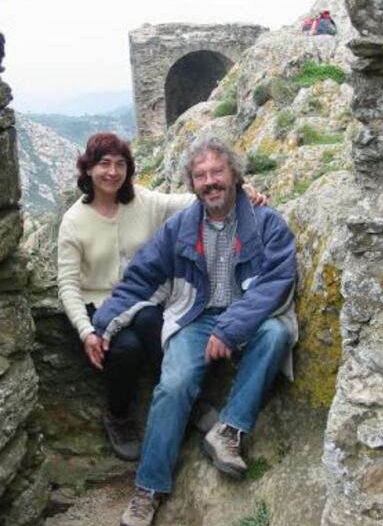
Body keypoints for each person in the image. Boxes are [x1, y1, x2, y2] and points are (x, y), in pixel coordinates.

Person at [93, 137, 297, 526]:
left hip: (247, 317)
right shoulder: (181, 227)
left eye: (217, 172)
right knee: (172, 385)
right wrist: (101, 326)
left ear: (236, 175)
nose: (209, 182)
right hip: (196, 315)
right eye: (200, 175)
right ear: (192, 183)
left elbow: (274, 283)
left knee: (277, 332)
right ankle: (148, 489)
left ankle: (228, 430)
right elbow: (141, 278)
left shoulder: (267, 223)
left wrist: (231, 327)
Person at [57, 132, 266, 462]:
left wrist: (240, 192)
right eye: (104, 164)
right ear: (88, 169)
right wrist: (86, 332)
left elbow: (189, 201)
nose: (112, 172)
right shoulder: (73, 221)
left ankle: (185, 396)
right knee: (125, 347)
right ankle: (119, 416)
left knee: (152, 318)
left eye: (120, 164)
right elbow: (68, 285)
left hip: (144, 296)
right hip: (98, 306)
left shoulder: (142, 201)